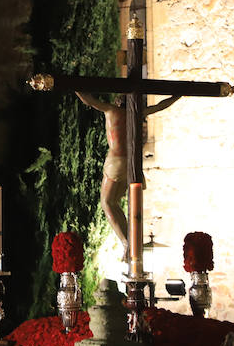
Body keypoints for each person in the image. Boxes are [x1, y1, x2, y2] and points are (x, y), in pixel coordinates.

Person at [75, 91, 181, 258]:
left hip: (115, 161)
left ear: (118, 101)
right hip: (132, 164)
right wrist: (177, 95)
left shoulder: (111, 111)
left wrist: (75, 87)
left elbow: (90, 100)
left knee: (107, 202)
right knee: (116, 203)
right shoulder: (138, 113)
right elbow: (161, 105)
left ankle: (127, 242)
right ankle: (131, 241)